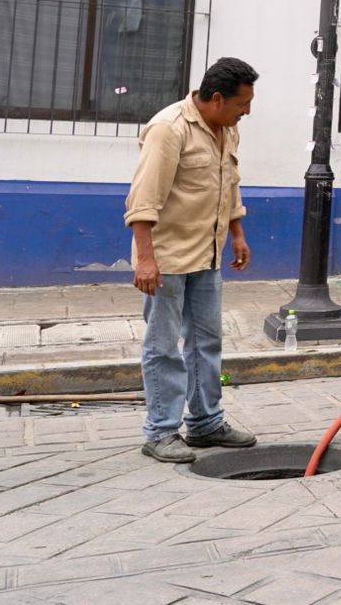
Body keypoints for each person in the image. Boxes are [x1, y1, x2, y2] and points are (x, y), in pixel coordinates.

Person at [123, 57, 261, 463]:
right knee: (163, 345)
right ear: (216, 98)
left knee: (207, 342)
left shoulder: (226, 129)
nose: (246, 112)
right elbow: (142, 200)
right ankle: (161, 431)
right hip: (166, 261)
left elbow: (228, 184)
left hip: (208, 254)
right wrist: (146, 261)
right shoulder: (169, 129)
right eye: (242, 104)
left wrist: (237, 234)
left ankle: (205, 423)